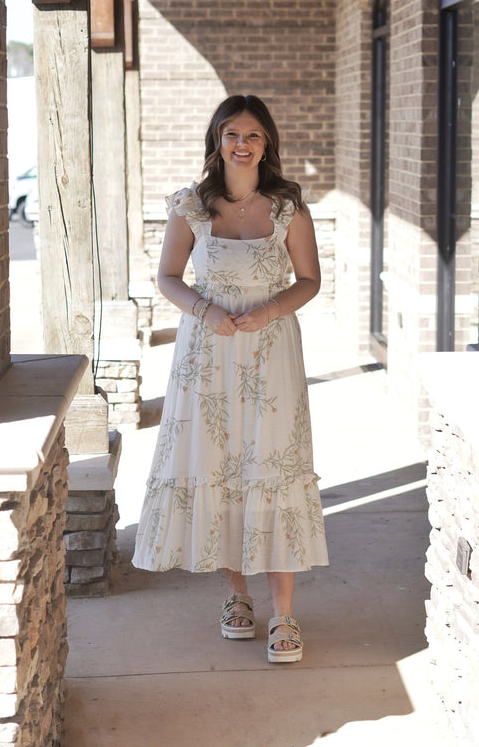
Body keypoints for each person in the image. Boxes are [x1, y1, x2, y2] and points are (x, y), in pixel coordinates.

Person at [132, 94, 329, 663]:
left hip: (272, 354)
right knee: (220, 465)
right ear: (217, 140)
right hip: (207, 353)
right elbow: (168, 277)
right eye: (231, 134)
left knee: (274, 466)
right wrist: (205, 311)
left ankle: (285, 616)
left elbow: (309, 280)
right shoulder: (191, 207)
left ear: (267, 143)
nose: (242, 144)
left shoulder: (289, 207)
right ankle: (237, 598)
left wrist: (268, 311)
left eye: (253, 135)